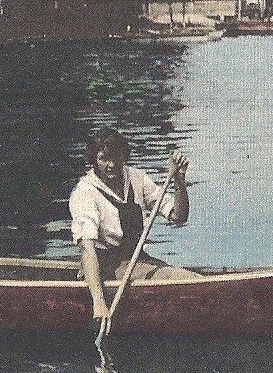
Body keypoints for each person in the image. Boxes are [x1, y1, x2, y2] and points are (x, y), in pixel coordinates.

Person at [69, 128, 201, 321]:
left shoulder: (137, 178)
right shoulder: (85, 192)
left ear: (124, 155)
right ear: (94, 160)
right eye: (104, 158)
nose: (111, 165)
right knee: (184, 279)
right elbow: (87, 250)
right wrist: (99, 303)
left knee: (180, 276)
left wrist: (179, 181)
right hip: (105, 267)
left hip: (136, 260)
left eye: (116, 156)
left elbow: (178, 216)